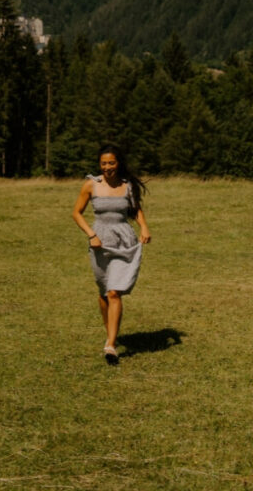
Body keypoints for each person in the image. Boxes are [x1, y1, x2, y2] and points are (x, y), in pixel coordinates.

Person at [72, 145, 150, 364]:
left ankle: (111, 345)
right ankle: (111, 334)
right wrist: (91, 234)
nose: (107, 167)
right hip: (99, 241)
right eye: (104, 163)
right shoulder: (91, 185)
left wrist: (144, 227)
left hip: (124, 239)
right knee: (104, 291)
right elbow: (76, 213)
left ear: (119, 163)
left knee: (115, 291)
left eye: (111, 163)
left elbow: (136, 210)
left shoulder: (128, 186)